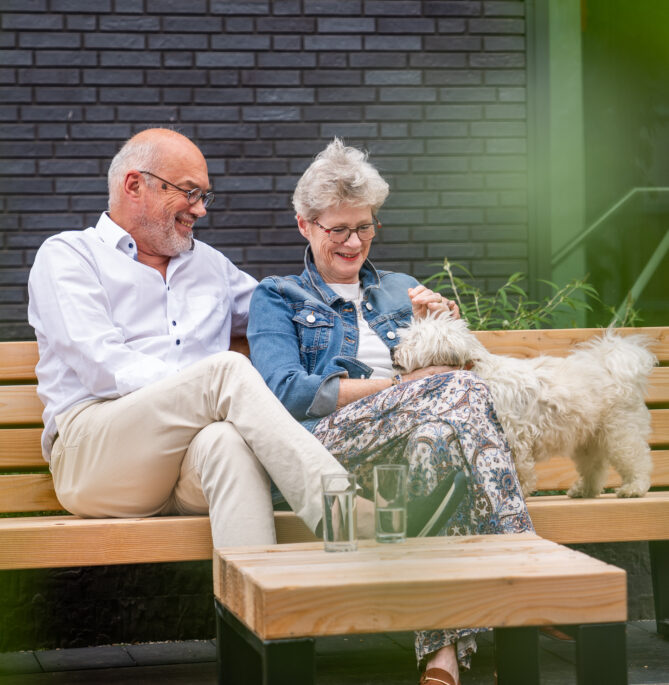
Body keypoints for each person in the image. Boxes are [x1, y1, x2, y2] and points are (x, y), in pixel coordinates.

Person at [247, 139, 534, 685]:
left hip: (410, 456)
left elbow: (459, 382)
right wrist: (404, 384)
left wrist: (444, 327)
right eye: (338, 229)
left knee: (440, 441)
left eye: (365, 226)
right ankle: (522, 557)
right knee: (449, 396)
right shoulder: (277, 297)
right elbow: (285, 392)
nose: (354, 242)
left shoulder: (402, 289)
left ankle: (441, 661)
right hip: (325, 451)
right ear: (304, 224)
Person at [26, 127, 351, 549]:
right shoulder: (69, 256)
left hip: (187, 463)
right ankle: (342, 513)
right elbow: (103, 365)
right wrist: (199, 387)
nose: (200, 210)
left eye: (204, 197)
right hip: (96, 457)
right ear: (134, 185)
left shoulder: (211, 265)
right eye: (189, 192)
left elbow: (290, 315)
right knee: (224, 372)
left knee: (227, 442)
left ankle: (255, 604)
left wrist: (398, 315)